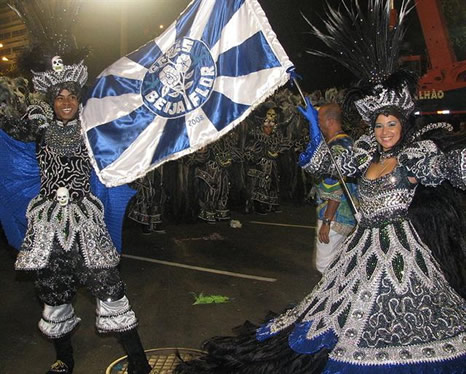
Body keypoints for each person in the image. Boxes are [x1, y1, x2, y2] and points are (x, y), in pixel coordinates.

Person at [174, 0, 466, 372]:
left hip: (402, 254)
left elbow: (448, 167)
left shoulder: (414, 156)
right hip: (361, 249)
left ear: (402, 124)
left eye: (391, 124)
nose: (384, 132)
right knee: (336, 315)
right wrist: (314, 133)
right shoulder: (363, 155)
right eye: (378, 125)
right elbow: (326, 166)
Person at [0, 3, 152, 373]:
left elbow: (132, 131)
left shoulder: (93, 126)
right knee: (53, 295)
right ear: (50, 100)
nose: (66, 102)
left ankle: (139, 362)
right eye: (59, 97)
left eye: (71, 96)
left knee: (110, 288)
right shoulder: (34, 126)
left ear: (78, 97)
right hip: (47, 227)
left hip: (87, 223)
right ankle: (64, 360)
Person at [311, 103, 357, 273]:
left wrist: (327, 220)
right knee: (338, 261)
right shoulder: (345, 141)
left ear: (329, 121)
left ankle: (334, 298)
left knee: (324, 265)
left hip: (336, 216)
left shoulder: (338, 146)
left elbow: (337, 184)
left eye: (319, 120)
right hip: (343, 214)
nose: (318, 124)